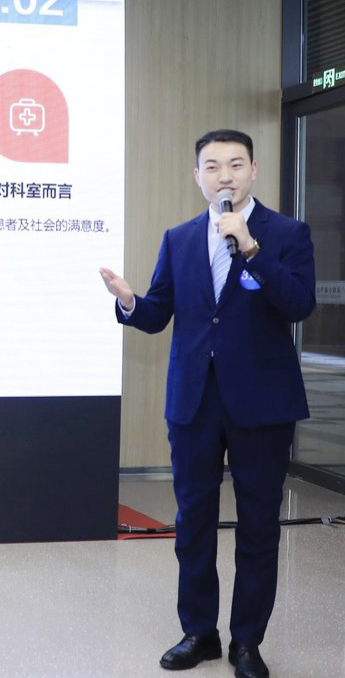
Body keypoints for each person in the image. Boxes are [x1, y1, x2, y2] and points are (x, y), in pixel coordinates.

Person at [100, 130, 315, 678]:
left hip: (263, 405)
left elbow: (298, 303)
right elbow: (159, 312)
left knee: (258, 527)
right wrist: (131, 302)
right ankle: (199, 632)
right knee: (193, 521)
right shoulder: (178, 238)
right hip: (194, 403)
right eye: (213, 166)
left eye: (235, 165)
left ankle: (247, 642)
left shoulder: (286, 233)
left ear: (254, 171)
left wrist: (250, 247)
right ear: (197, 176)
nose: (225, 176)